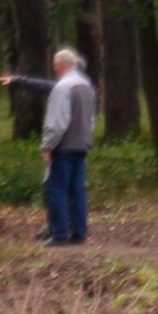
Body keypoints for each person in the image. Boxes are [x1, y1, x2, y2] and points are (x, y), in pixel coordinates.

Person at [36, 47, 97, 245]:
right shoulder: (87, 86)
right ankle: (79, 232)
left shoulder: (62, 88)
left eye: (55, 66)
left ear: (61, 66)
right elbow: (92, 119)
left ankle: (59, 233)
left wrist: (47, 146)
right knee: (78, 190)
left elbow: (57, 121)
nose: (54, 69)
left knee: (57, 189)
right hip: (82, 144)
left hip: (64, 146)